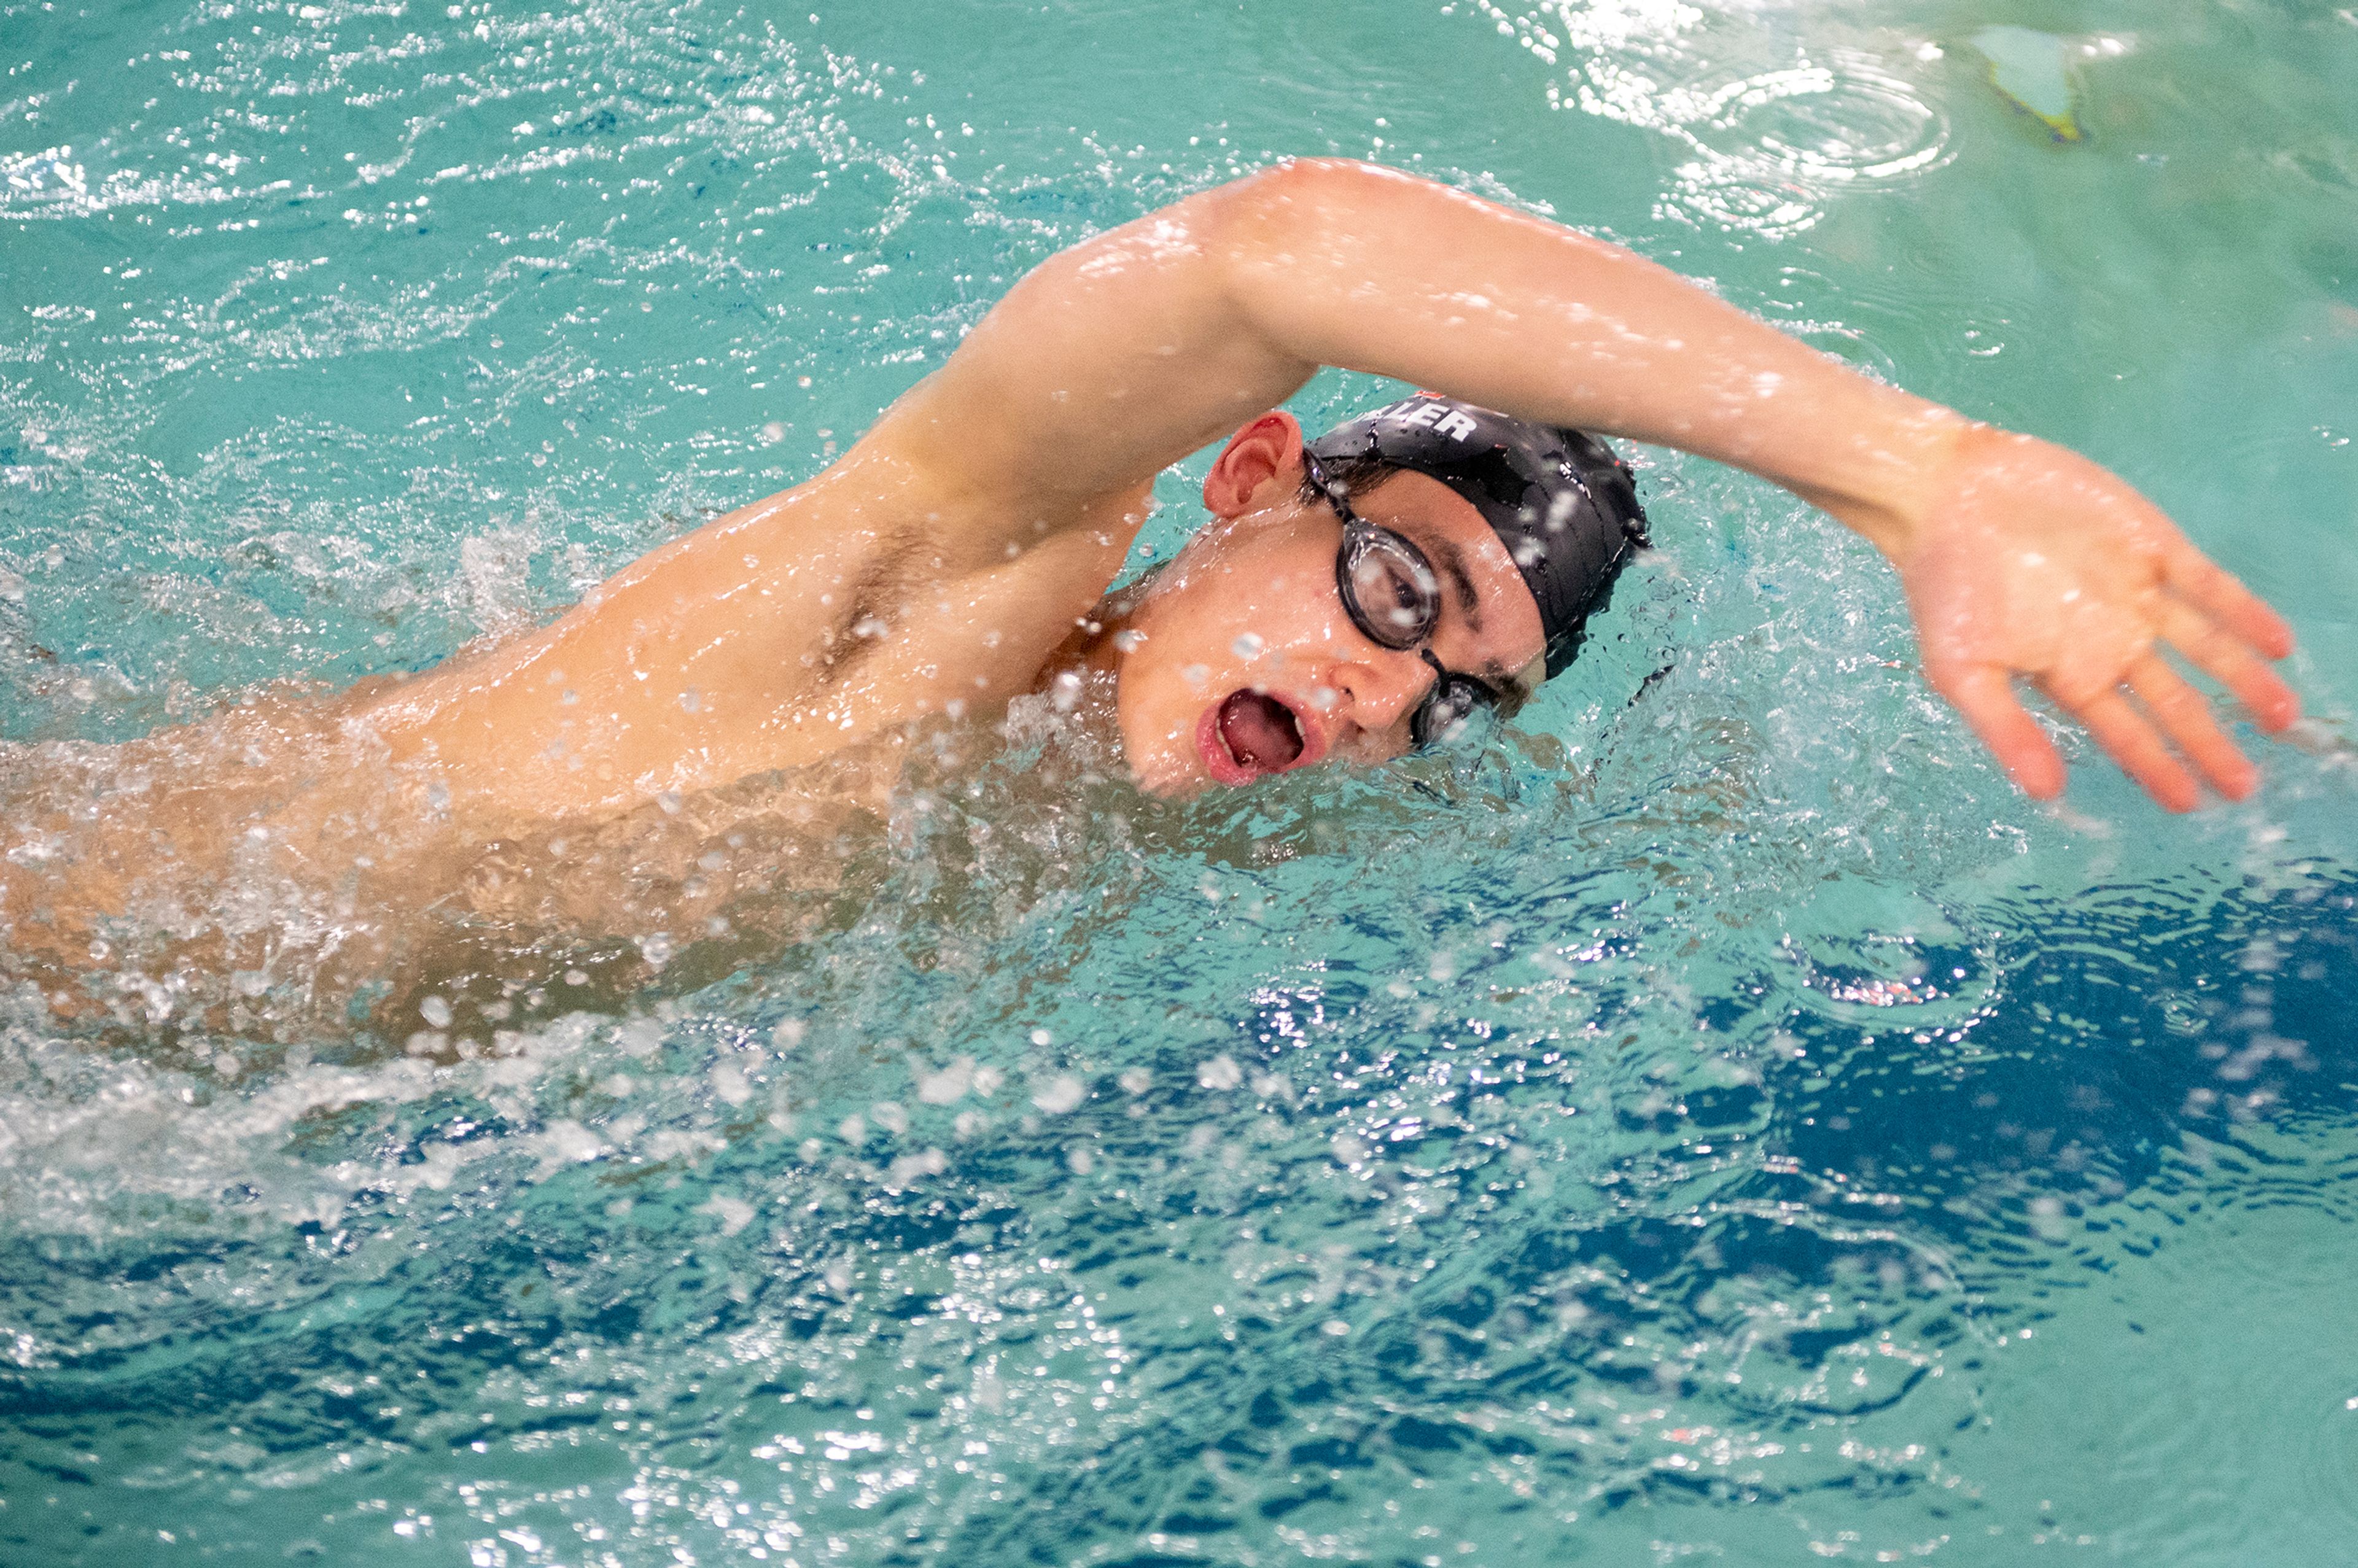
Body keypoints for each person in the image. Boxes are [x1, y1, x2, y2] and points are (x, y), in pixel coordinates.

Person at [1, 158, 2303, 1029]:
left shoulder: (1089, 810)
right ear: (1254, 481)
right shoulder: (944, 580)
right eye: (1389, 593)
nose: (1379, 702)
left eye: (1457, 699)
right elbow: (1271, 244)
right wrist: (1925, 470)